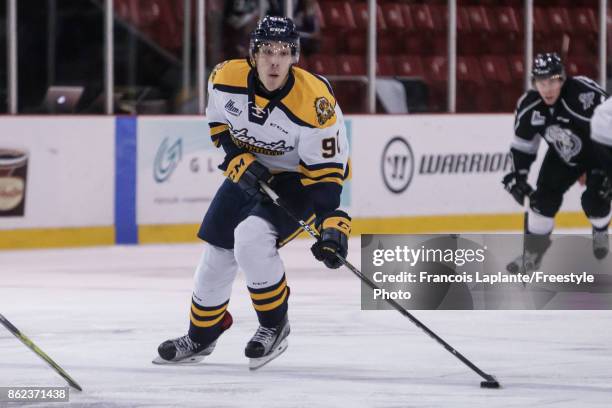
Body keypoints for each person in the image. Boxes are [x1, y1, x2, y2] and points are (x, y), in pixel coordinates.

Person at [154, 15, 350, 369]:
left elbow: (324, 176)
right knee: (217, 252)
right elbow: (218, 125)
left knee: (251, 237)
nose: (274, 60)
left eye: (283, 52)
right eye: (266, 51)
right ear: (252, 54)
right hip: (249, 170)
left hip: (300, 179)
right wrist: (235, 155)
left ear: (295, 57)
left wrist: (330, 224)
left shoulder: (315, 103)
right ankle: (202, 334)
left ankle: (274, 325)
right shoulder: (224, 78)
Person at [502, 53, 609, 274]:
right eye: (542, 82)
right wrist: (518, 176)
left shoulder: (583, 93)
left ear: (562, 79)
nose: (547, 88)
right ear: (534, 83)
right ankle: (533, 253)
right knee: (541, 201)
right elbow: (523, 146)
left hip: (598, 154)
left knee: (594, 203)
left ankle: (600, 229)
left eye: (552, 81)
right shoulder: (529, 106)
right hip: (563, 156)